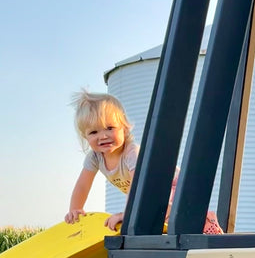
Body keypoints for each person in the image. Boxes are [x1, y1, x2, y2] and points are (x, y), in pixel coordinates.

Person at [65, 89, 224, 233]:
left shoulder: (131, 152)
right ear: (85, 137)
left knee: (186, 220)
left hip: (174, 187)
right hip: (152, 197)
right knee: (164, 224)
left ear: (124, 128)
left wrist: (127, 215)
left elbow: (137, 185)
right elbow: (82, 185)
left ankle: (209, 226)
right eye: (94, 132)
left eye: (110, 128)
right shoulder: (95, 157)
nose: (103, 136)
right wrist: (75, 209)